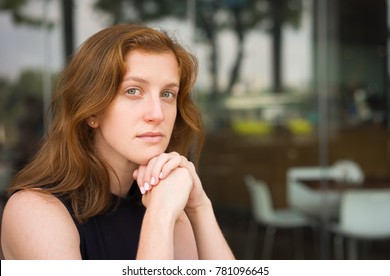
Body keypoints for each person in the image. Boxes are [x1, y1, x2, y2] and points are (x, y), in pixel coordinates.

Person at [1, 24, 235, 260]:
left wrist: (199, 207)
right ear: (92, 112)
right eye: (133, 91)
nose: (158, 114)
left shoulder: (162, 199)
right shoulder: (33, 212)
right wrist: (160, 216)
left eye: (167, 94)